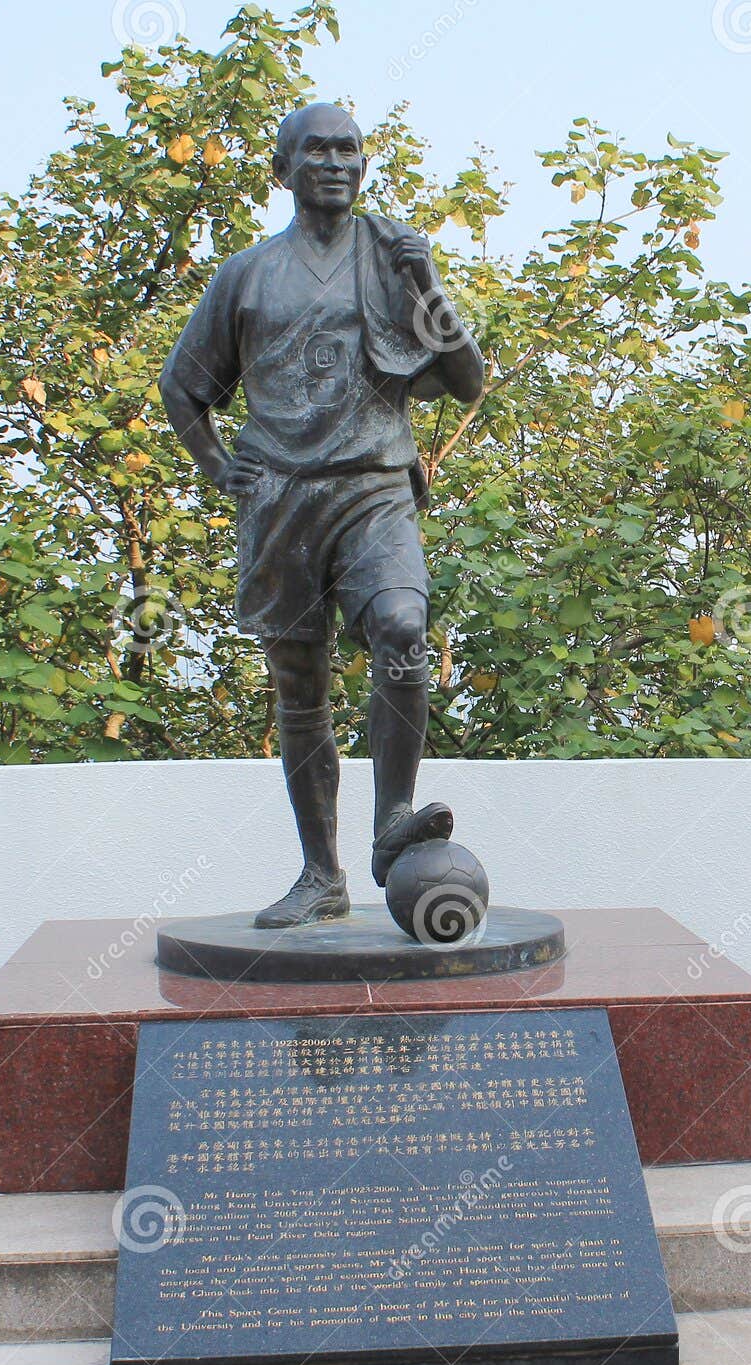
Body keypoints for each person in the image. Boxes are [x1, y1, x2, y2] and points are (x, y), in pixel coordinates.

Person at [160, 102, 485, 927]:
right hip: (283, 498)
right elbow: (182, 385)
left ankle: (390, 817)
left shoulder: (394, 260)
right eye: (316, 150)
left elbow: (468, 380)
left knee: (404, 627)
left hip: (374, 485)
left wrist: (430, 286)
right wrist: (218, 467)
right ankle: (320, 873)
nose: (336, 162)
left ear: (364, 164)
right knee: (299, 684)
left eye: (350, 149)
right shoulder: (247, 274)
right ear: (284, 168)